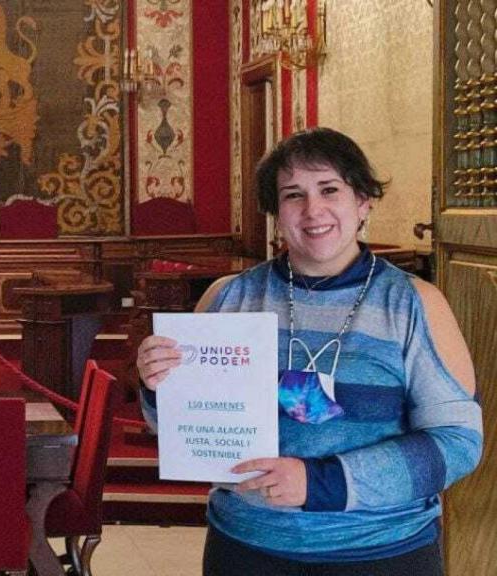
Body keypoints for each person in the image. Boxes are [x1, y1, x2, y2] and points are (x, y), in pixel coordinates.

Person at [136, 127, 482, 575]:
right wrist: (157, 386)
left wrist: (321, 482)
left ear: (363, 202)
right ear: (276, 214)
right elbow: (178, 430)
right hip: (247, 547)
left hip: (380, 551)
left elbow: (458, 442)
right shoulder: (228, 298)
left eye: (329, 189)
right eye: (293, 195)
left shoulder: (415, 303)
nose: (312, 209)